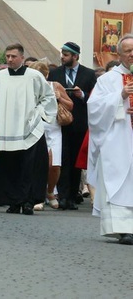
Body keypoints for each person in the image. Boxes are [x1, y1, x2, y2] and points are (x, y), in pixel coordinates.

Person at [0, 43, 56, 215]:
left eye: (13, 56)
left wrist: (39, 113)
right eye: (7, 56)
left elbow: (48, 97)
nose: (10, 59)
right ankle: (13, 201)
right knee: (10, 166)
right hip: (7, 129)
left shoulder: (34, 76)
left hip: (29, 128)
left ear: (22, 57)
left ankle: (28, 202)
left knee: (30, 167)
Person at [87, 35, 133, 245]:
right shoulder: (107, 80)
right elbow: (94, 109)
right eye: (128, 51)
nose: (132, 54)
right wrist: (120, 97)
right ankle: (122, 228)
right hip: (118, 139)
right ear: (119, 54)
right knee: (119, 182)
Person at [48, 42, 97, 210]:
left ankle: (71, 196)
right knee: (62, 160)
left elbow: (96, 98)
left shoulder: (89, 74)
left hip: (79, 123)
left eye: (66, 54)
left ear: (75, 56)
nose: (62, 56)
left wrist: (82, 94)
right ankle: (62, 196)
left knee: (76, 162)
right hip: (59, 122)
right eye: (62, 53)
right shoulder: (54, 73)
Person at [28, 60, 72, 211]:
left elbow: (71, 105)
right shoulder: (28, 87)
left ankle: (50, 192)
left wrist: (59, 97)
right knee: (38, 164)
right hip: (35, 127)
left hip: (53, 128)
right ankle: (38, 195)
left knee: (54, 165)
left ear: (46, 75)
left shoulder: (55, 85)